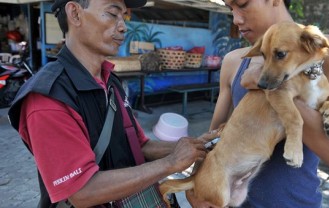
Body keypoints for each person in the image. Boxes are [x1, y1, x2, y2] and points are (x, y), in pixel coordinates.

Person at [8, 0, 217, 207]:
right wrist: (170, 164)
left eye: (124, 16)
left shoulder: (110, 81)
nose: (123, 26)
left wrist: (195, 146)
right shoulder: (48, 98)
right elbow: (81, 192)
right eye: (112, 13)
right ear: (75, 14)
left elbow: (140, 145)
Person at [187, 0, 329, 207]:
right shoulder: (234, 61)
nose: (236, 19)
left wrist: (266, 85)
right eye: (230, 8)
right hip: (230, 198)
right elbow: (213, 137)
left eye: (242, 4)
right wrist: (196, 186)